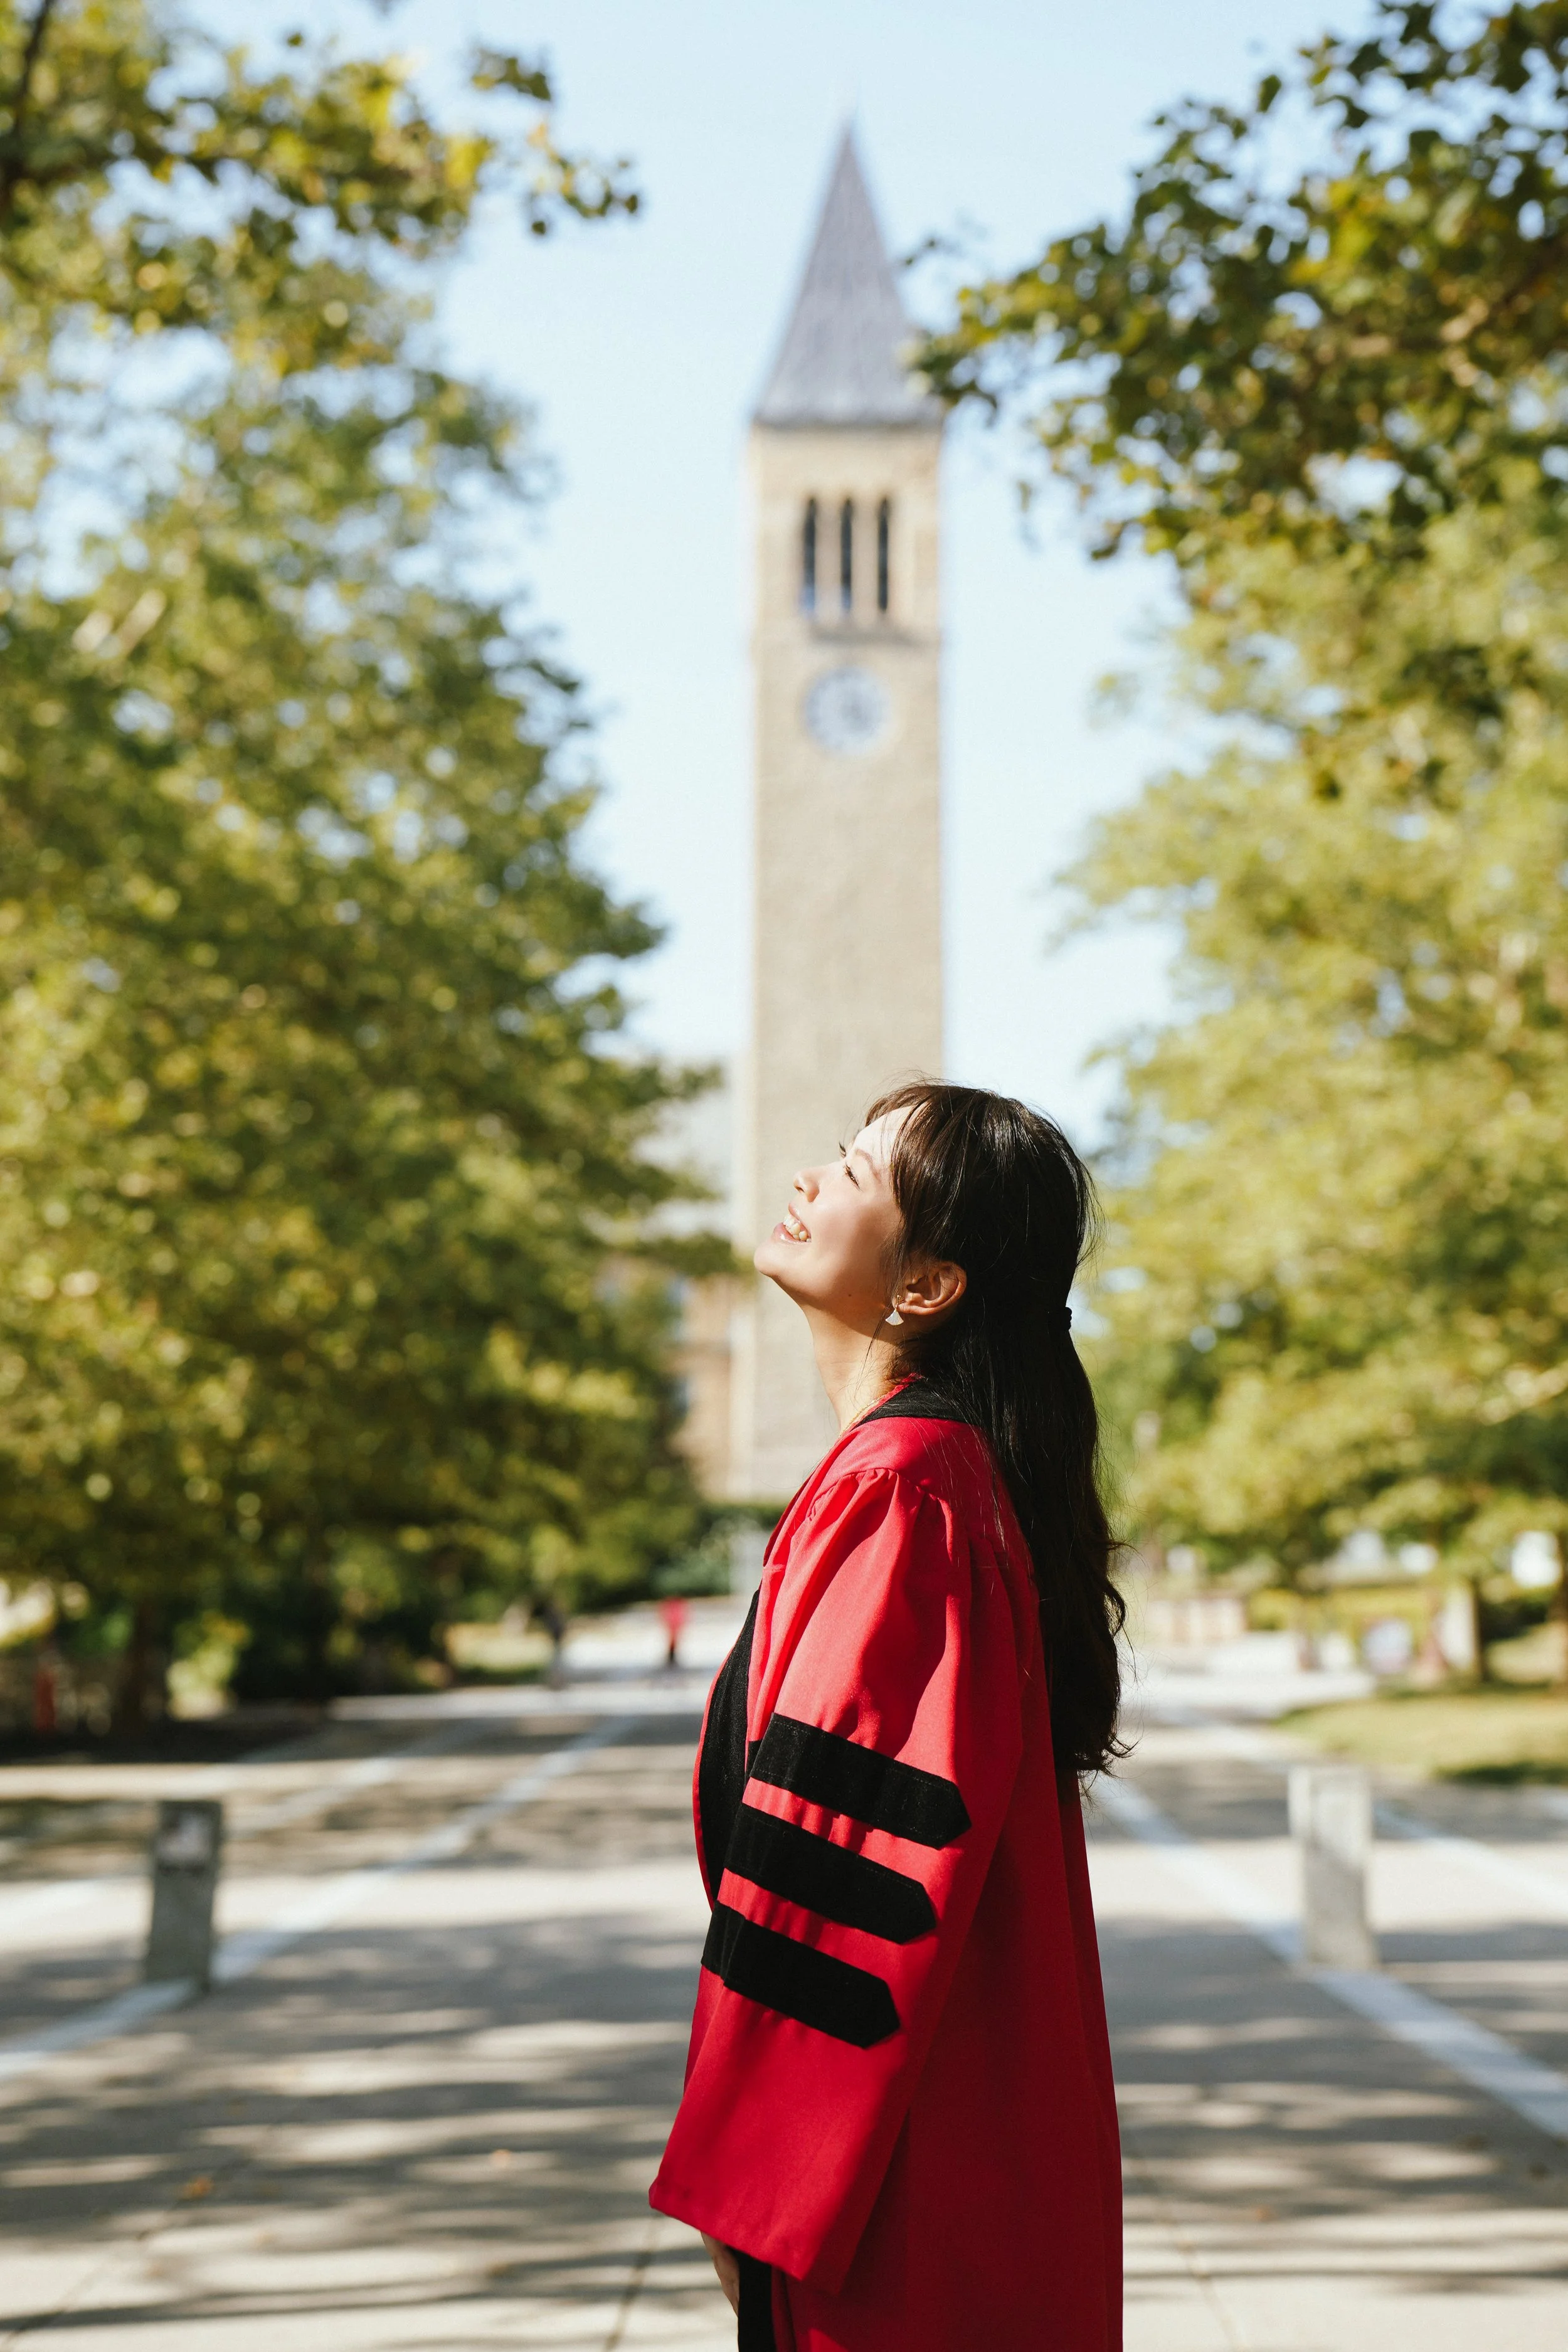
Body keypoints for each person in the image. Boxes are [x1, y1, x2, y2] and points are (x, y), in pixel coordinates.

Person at [649, 1082, 1125, 2351]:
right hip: (936, 2148)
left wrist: (750, 2183)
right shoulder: (916, 1476)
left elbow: (848, 1862)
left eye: (856, 1173)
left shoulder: (907, 1492)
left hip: (896, 2184)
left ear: (926, 1286)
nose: (809, 1180)